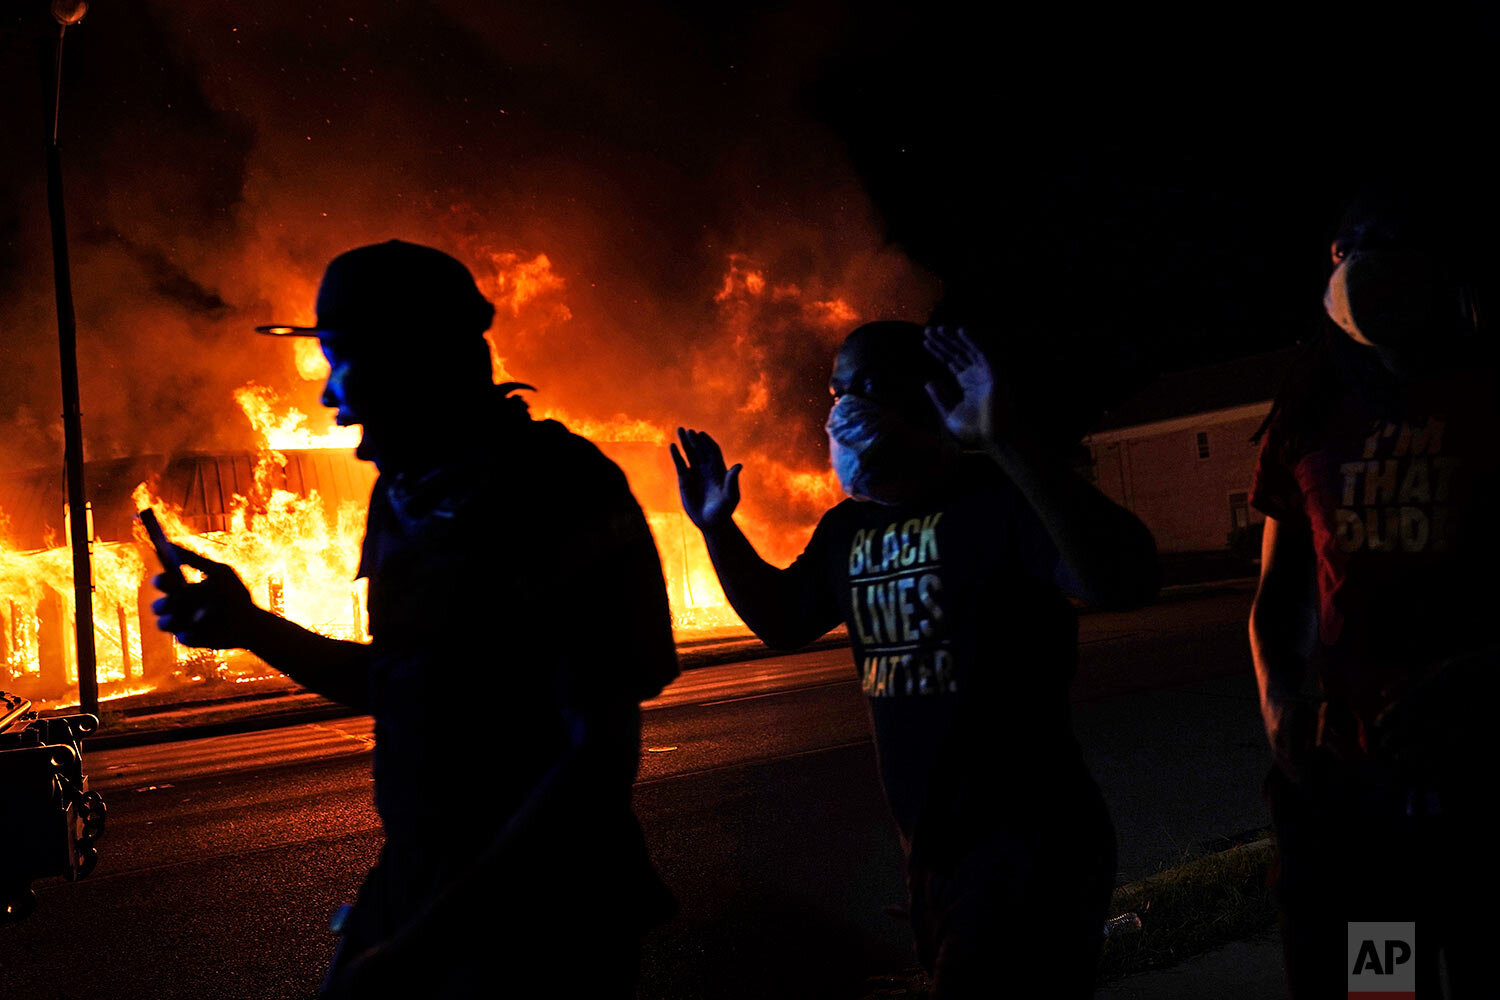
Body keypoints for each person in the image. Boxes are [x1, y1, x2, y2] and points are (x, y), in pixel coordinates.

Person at [151, 240, 679, 997]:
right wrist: (252, 628)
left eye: (342, 360)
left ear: (414, 356)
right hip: (417, 886)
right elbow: (408, 682)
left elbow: (595, 757)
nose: (331, 398)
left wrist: (424, 947)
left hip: (549, 922)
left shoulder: (562, 489)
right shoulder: (403, 499)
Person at [670, 321, 1158, 997]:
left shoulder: (996, 496)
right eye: (837, 390)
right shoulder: (847, 529)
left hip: (1032, 848)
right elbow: (783, 620)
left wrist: (1006, 440)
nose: (844, 407)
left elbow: (1124, 580)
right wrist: (718, 529)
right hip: (935, 860)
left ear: (926, 395)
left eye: (866, 388)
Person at [1249, 181, 1500, 997]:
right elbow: (1279, 592)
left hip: (1486, 797)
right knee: (1383, 983)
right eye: (1348, 255)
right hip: (1365, 810)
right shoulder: (1312, 409)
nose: (1364, 275)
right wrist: (1282, 702)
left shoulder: (1496, 397)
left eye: (1389, 255)